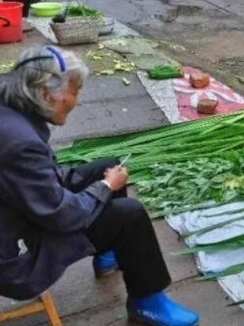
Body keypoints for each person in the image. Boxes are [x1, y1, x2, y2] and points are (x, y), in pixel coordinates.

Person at [0, 46, 200, 326]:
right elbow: (62, 213)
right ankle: (147, 302)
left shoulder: (10, 102)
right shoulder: (20, 142)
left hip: (17, 208)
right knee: (128, 214)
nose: (76, 101)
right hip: (12, 266)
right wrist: (106, 185)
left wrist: (102, 180)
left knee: (108, 164)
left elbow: (39, 177)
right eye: (75, 91)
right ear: (46, 94)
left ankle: (107, 253)